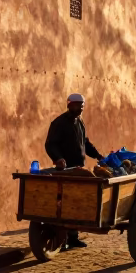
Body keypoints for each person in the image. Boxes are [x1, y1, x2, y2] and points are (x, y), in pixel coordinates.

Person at [44, 93, 104, 249]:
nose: (79, 109)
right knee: (64, 203)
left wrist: (97, 155)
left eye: (81, 106)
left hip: (79, 169)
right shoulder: (59, 123)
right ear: (69, 105)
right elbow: (50, 144)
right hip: (65, 170)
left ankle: (73, 237)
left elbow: (85, 142)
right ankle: (61, 236)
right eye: (76, 106)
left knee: (76, 201)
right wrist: (58, 158)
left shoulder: (80, 123)